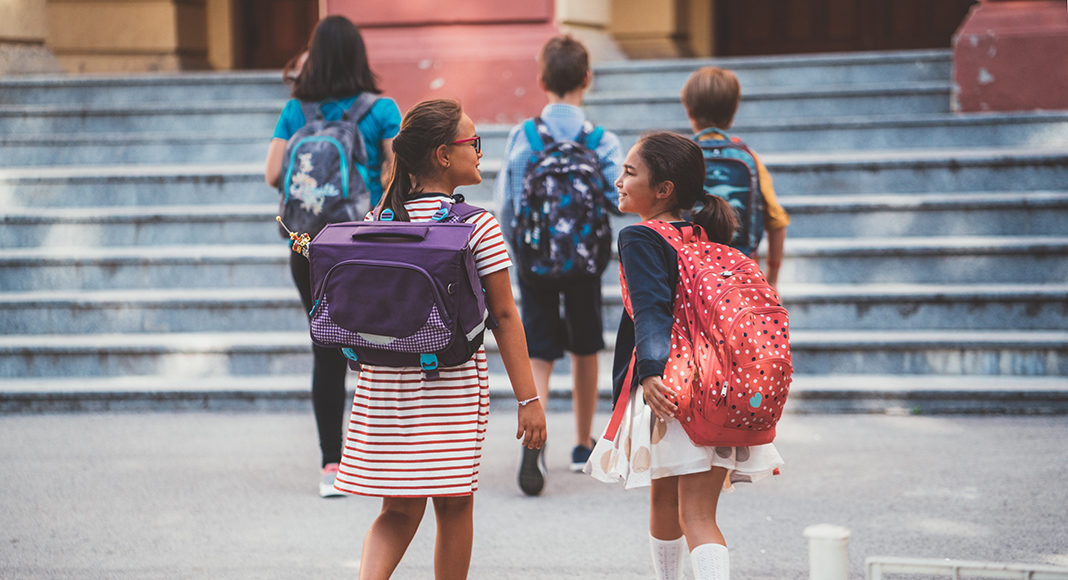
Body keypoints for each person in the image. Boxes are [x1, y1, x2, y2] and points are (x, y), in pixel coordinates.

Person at [333, 99, 547, 580]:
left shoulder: (377, 223)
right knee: (453, 508)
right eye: (471, 142)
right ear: (443, 156)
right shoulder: (476, 225)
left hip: (386, 387)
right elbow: (506, 317)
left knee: (397, 511)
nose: (478, 150)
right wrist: (528, 398)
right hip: (449, 386)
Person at [585, 132, 784, 580]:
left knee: (680, 511)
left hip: (672, 390)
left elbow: (651, 307)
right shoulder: (702, 235)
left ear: (663, 189)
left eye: (629, 173)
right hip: (719, 383)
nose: (618, 181)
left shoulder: (639, 237)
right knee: (695, 512)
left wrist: (651, 372)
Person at [264, 15, 402, 498]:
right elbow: (396, 174)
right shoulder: (381, 109)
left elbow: (272, 174)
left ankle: (331, 466)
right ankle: (384, 454)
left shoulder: (294, 110)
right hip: (364, 242)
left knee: (325, 348)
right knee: (383, 343)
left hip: (306, 245)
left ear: (315, 55)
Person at [495, 34, 623, 494]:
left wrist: (520, 252)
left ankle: (536, 437)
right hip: (586, 264)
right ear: (587, 78)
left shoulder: (522, 137)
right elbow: (618, 198)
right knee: (585, 346)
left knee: (541, 350)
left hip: (535, 261)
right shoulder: (602, 141)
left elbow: (507, 206)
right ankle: (583, 442)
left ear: (542, 79)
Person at [681, 66, 789, 288]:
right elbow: (777, 222)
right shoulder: (750, 159)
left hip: (692, 276)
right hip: (742, 276)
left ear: (688, 110)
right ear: (733, 112)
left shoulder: (680, 157)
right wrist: (772, 277)